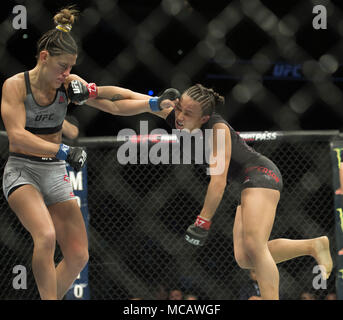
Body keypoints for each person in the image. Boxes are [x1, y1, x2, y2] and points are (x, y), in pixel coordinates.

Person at [69, 82, 333, 300]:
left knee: (254, 245)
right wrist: (89, 94)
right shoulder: (178, 115)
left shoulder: (217, 130)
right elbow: (124, 99)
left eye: (188, 114)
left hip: (260, 174)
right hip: (244, 183)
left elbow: (217, 182)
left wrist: (203, 220)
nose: (180, 117)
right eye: (180, 110)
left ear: (204, 117)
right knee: (245, 258)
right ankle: (312, 245)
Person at [0, 6, 174, 300]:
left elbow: (114, 100)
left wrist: (152, 104)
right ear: (44, 57)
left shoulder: (68, 85)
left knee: (79, 254)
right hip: (22, 170)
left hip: (54, 171)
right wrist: (62, 150)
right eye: (62, 67)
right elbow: (17, 138)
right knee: (45, 236)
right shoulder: (16, 86)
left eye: (71, 67)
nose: (67, 74)